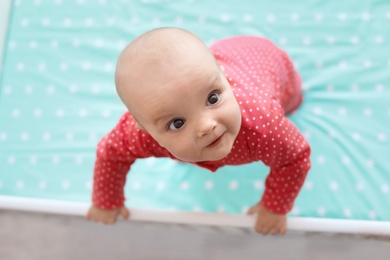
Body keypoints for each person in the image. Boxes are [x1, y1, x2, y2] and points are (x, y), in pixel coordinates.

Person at [86, 27, 311, 235]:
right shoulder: (137, 135)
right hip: (215, 61)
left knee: (292, 100)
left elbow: (295, 157)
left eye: (213, 98)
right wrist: (106, 200)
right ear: (145, 130)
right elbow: (110, 154)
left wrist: (275, 207)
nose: (206, 126)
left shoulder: (264, 125)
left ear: (225, 79)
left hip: (267, 60)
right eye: (177, 123)